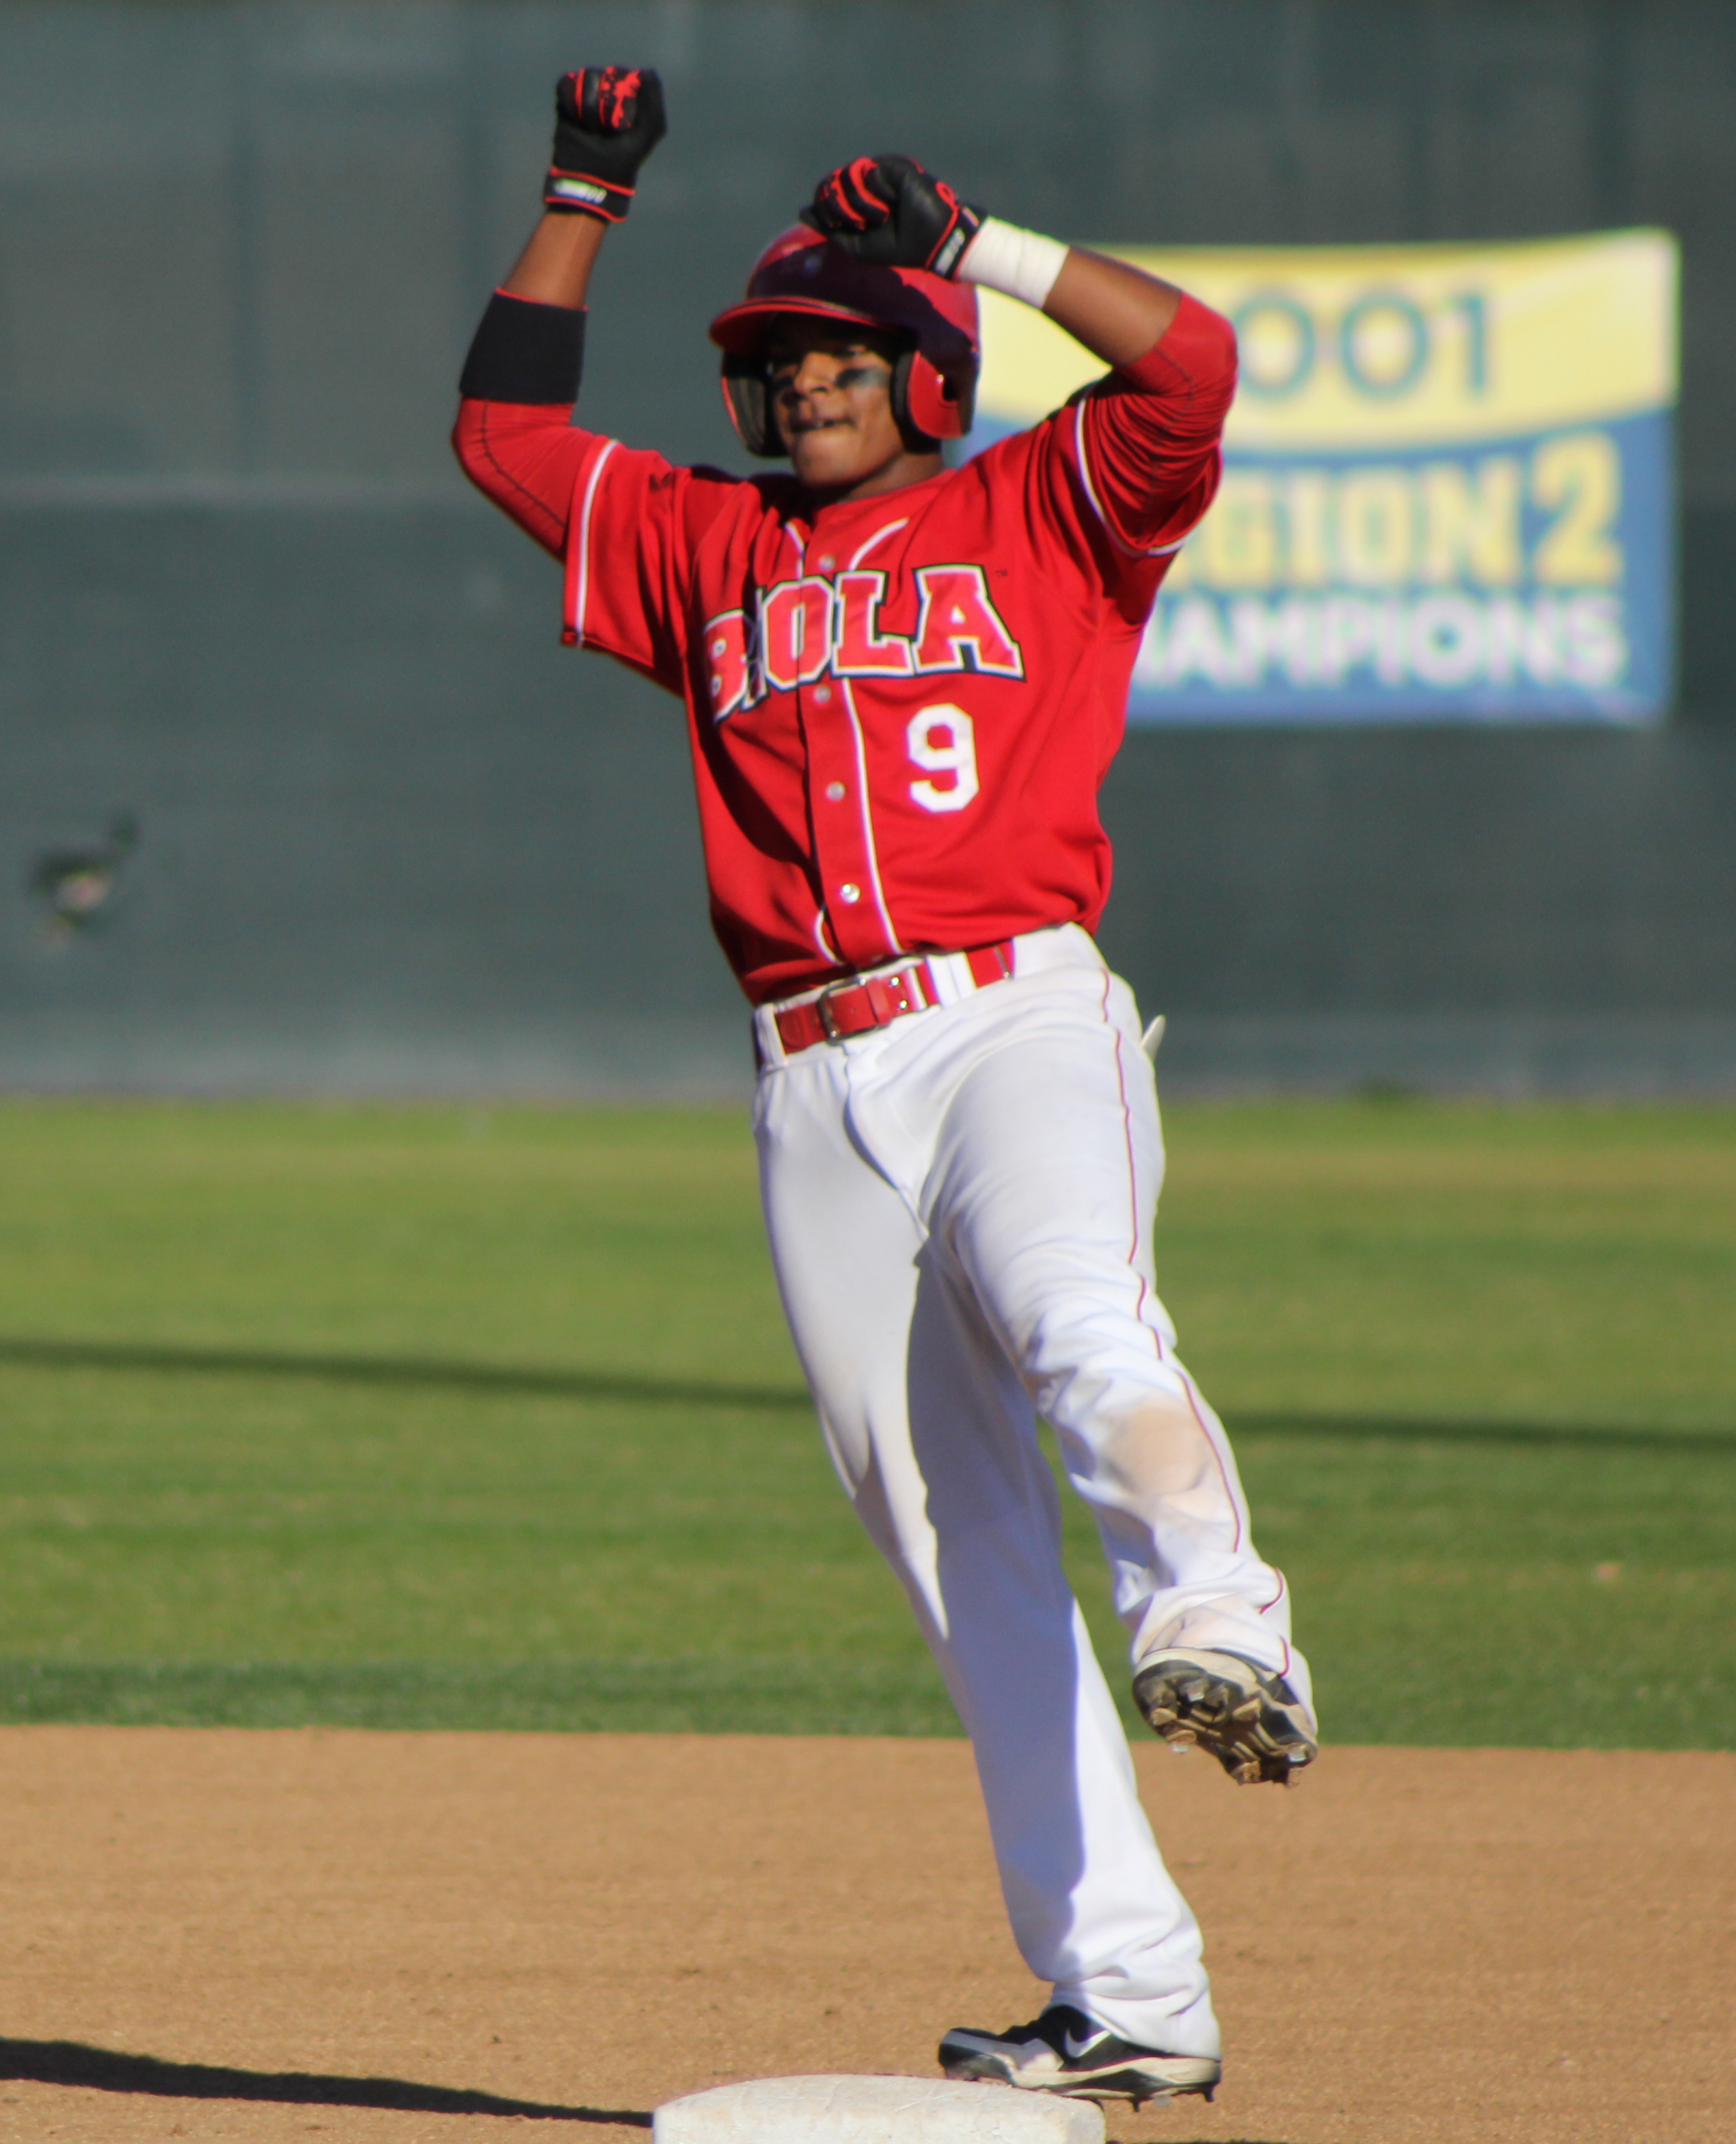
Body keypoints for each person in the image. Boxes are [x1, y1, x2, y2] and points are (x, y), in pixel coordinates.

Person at [453, 70, 1317, 2109]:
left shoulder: (1046, 500)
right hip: (809, 1082)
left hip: (1016, 1017)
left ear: (927, 370)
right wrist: (585, 193)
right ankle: (1135, 1993)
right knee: (956, 1554)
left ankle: (1225, 1619)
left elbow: (1193, 360)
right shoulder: (703, 545)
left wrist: (976, 243)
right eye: (775, 361)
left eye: (839, 350)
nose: (804, 383)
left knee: (1078, 1316)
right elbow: (503, 435)